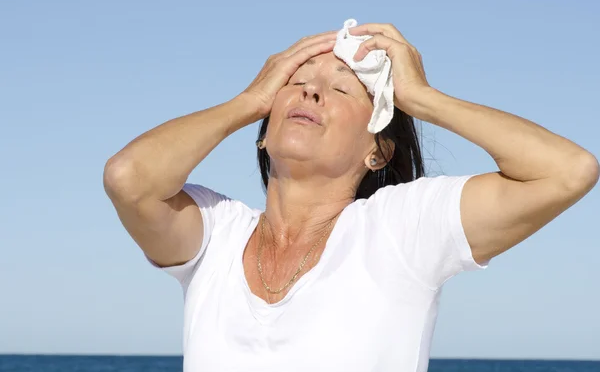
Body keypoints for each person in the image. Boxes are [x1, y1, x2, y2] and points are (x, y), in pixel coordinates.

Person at [103, 23, 599, 372]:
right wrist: (247, 101)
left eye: (341, 91)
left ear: (378, 152)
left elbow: (567, 171)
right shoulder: (216, 234)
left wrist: (422, 98)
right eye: (294, 85)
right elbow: (129, 178)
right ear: (262, 132)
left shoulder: (401, 229)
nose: (310, 93)